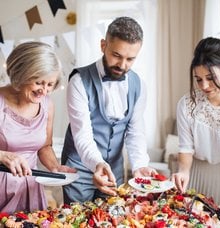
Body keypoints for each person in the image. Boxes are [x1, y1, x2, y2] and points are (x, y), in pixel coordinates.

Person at [61, 16, 157, 204]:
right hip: (79, 170)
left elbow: (135, 131)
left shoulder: (139, 85)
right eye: (117, 55)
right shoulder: (79, 81)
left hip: (114, 171)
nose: (122, 65)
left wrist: (140, 165)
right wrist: (98, 164)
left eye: (130, 59)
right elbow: (82, 135)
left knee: (112, 219)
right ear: (103, 45)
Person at [0, 41, 76, 213]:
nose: (44, 91)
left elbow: (44, 146)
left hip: (30, 188)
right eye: (39, 83)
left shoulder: (47, 105)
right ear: (22, 74)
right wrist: (2, 155)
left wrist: (55, 167)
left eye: (50, 85)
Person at [172, 37, 220, 205]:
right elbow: (185, 148)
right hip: (195, 176)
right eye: (198, 79)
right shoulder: (187, 104)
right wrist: (183, 172)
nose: (204, 86)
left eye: (211, 78)